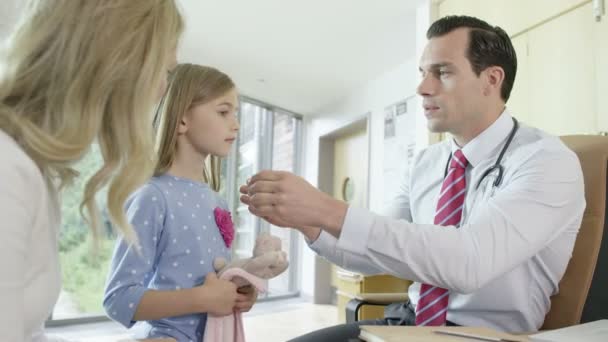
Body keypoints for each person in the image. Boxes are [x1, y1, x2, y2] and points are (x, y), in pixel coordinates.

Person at [240, 15, 585, 341]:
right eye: (422, 72)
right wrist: (308, 220)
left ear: (491, 80)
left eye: (442, 72)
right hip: (409, 321)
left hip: (485, 335)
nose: (422, 87)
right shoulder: (427, 163)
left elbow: (470, 263)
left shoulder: (547, 161)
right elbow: (365, 254)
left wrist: (327, 209)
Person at [0, 1, 183, 340]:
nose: (161, 89)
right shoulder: (8, 172)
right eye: (164, 71)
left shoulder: (34, 171)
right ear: (117, 60)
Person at [103, 64, 256, 342]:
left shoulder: (217, 200)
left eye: (235, 113)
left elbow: (215, 276)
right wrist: (203, 298)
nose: (235, 123)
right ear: (183, 120)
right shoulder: (152, 197)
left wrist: (237, 293)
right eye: (223, 112)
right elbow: (118, 299)